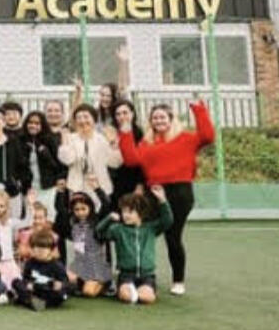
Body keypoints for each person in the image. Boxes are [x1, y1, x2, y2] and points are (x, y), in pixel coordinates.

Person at [117, 100, 213, 296]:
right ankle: (136, 275)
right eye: (155, 118)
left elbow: (208, 136)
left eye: (162, 117)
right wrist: (125, 132)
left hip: (180, 192)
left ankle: (178, 280)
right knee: (140, 230)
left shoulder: (185, 138)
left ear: (171, 120)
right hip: (154, 192)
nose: (158, 120)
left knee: (172, 236)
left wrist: (198, 109)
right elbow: (131, 159)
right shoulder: (147, 143)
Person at [98, 187, 174, 305]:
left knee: (147, 299)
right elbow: (99, 233)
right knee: (126, 296)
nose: (126, 215)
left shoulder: (150, 228)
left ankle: (141, 291)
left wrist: (162, 201)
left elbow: (167, 220)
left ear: (141, 213)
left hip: (147, 275)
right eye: (124, 211)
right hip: (126, 275)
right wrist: (109, 219)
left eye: (130, 212)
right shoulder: (118, 229)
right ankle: (128, 291)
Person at [54, 188, 113, 298]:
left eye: (83, 209)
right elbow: (60, 210)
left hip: (97, 267)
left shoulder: (97, 223)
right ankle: (78, 285)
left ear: (90, 208)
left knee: (88, 292)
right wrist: (60, 193)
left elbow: (106, 206)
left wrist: (97, 189)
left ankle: (104, 284)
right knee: (61, 276)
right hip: (80, 267)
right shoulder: (72, 225)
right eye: (77, 210)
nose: (80, 213)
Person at [59, 104, 122, 201]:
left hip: (100, 187)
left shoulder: (102, 139)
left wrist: (114, 144)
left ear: (94, 120)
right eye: (79, 118)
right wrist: (64, 142)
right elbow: (67, 159)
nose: (83, 121)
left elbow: (114, 163)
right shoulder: (70, 138)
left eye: (86, 117)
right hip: (76, 188)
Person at [22, 111, 65, 220]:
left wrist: (43, 152)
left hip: (47, 187)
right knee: (31, 217)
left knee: (49, 216)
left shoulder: (49, 140)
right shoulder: (21, 141)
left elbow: (58, 164)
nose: (33, 126)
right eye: (30, 123)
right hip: (29, 188)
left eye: (37, 123)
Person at [13, 230, 69, 311]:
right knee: (16, 282)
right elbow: (25, 279)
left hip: (48, 290)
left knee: (60, 294)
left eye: (43, 250)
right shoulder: (30, 263)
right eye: (37, 250)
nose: (40, 252)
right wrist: (28, 284)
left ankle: (28, 301)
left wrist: (60, 285)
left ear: (50, 250)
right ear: (32, 249)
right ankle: (31, 301)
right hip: (35, 289)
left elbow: (65, 283)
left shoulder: (57, 265)